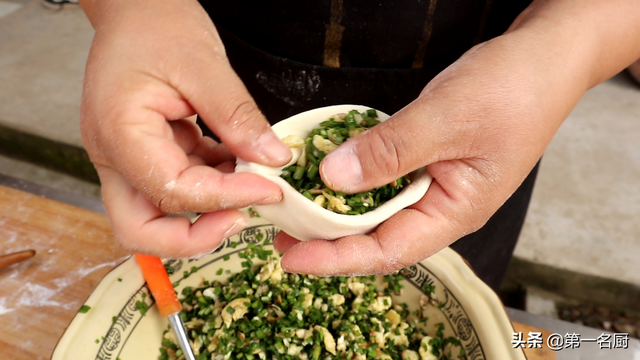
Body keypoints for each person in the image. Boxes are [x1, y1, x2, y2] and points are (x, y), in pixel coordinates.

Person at [77, 0, 640, 291]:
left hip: (490, 121)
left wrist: (569, 48)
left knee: (455, 282)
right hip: (211, 83)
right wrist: (131, 11)